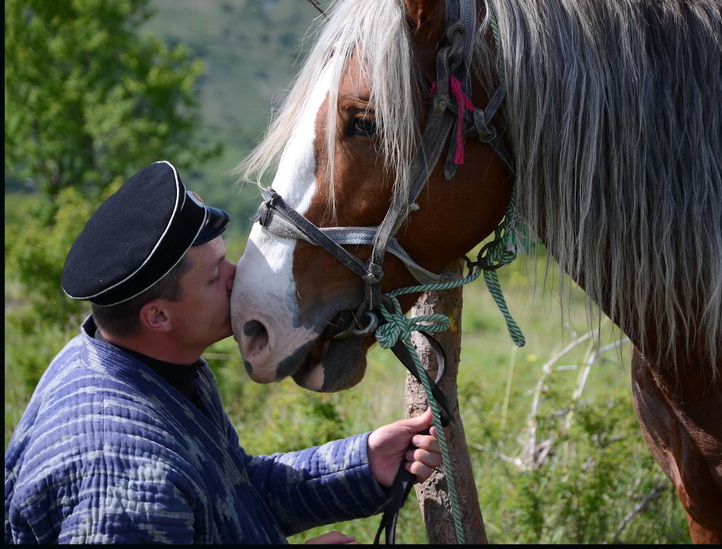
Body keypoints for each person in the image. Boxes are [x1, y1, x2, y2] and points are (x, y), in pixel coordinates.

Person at [4, 161, 442, 544]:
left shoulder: (143, 366)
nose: (237, 277)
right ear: (157, 316)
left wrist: (363, 464)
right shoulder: (124, 477)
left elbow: (233, 494)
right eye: (215, 276)